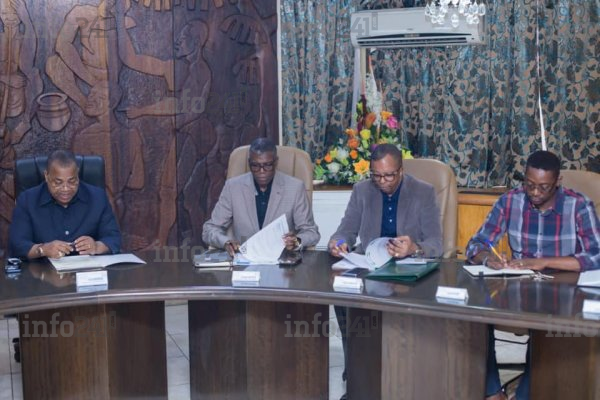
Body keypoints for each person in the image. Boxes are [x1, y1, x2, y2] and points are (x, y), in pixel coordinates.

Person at [466, 150, 600, 400]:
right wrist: (488, 258)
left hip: (563, 293)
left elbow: (597, 255)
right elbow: (475, 244)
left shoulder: (578, 205)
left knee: (548, 335)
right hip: (519, 289)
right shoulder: (510, 201)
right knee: (473, 316)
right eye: (530, 185)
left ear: (558, 182)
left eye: (543, 187)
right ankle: (493, 392)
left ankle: (526, 393)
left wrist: (544, 262)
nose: (535, 192)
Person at [328, 144, 443, 400]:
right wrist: (338, 242)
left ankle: (403, 377)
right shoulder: (362, 190)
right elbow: (346, 230)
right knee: (342, 293)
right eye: (376, 175)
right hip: (370, 266)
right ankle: (356, 372)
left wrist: (414, 247)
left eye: (389, 175)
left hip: (407, 269)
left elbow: (436, 243)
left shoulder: (423, 192)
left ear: (401, 170)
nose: (382, 182)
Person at [202, 138, 320, 255]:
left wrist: (297, 241)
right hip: (244, 260)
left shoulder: (295, 187)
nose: (261, 171)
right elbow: (210, 229)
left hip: (282, 260)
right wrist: (225, 242)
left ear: (276, 162)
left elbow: (311, 232)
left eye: (267, 165)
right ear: (249, 163)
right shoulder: (233, 187)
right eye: (255, 166)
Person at [8, 150, 121, 259]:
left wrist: (96, 246)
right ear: (46, 176)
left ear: (77, 173)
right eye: (58, 182)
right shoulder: (27, 200)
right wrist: (43, 249)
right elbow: (18, 245)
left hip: (88, 269)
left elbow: (113, 238)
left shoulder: (97, 198)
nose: (66, 189)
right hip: (43, 269)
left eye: (72, 181)